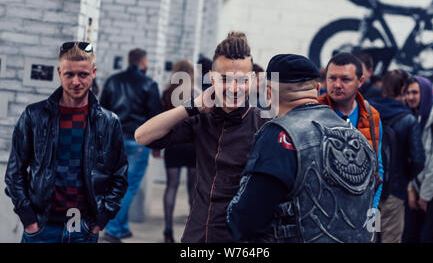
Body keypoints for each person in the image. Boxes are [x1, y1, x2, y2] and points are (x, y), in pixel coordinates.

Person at [227, 54, 377, 243]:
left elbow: (247, 220)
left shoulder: (279, 136)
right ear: (317, 88)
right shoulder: (357, 136)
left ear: (269, 92)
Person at [135, 32, 268, 243]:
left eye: (241, 81)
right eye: (225, 79)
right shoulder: (201, 118)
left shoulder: (265, 125)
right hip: (199, 232)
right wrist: (190, 107)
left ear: (251, 80)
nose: (234, 88)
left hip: (243, 237)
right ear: (213, 78)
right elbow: (142, 137)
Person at [4, 41, 128, 243]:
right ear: (59, 72)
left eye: (83, 74)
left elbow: (119, 175)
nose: (76, 82)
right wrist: (29, 220)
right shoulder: (34, 116)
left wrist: (102, 218)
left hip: (84, 228)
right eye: (69, 74)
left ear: (93, 72)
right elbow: (14, 172)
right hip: (42, 227)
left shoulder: (108, 122)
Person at [100, 48, 163, 242]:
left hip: (114, 140)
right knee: (127, 187)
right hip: (138, 141)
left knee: (116, 183)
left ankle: (121, 226)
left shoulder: (112, 81)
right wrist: (157, 146)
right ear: (143, 62)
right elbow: (155, 118)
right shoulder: (149, 84)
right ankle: (113, 228)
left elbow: (101, 111)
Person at [318, 53, 383, 210]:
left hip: (360, 210)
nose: (337, 85)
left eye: (345, 79)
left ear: (360, 81)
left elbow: (377, 168)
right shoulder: (313, 112)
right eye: (332, 78)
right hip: (322, 213)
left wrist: (372, 210)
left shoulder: (371, 115)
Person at [370, 70, 426, 243]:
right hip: (393, 193)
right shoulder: (408, 119)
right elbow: (418, 160)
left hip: (368, 192)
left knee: (369, 236)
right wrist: (403, 177)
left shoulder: (368, 112)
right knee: (390, 239)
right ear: (403, 89)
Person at [402, 76, 433, 243]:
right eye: (407, 93)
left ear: (426, 92)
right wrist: (411, 189)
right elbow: (410, 158)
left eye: (415, 92)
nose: (410, 97)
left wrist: (425, 196)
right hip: (417, 189)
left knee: (429, 237)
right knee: (409, 236)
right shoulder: (415, 117)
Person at [160, 60, 197, 243]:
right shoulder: (195, 94)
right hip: (192, 145)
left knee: (171, 187)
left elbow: (160, 122)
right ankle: (192, 231)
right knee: (193, 189)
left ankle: (167, 230)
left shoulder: (167, 93)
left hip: (173, 144)